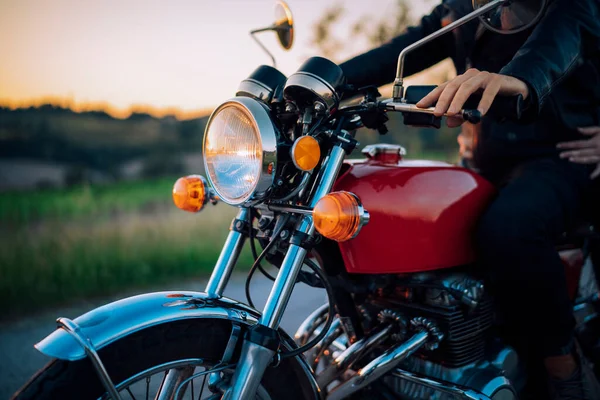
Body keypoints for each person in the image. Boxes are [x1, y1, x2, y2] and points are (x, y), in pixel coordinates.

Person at [338, 0, 600, 398]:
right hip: (486, 159)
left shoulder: (570, 5)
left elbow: (554, 44)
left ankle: (565, 369)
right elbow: (398, 52)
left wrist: (517, 81)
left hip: (561, 157)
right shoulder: (461, 8)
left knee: (511, 228)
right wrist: (316, 82)